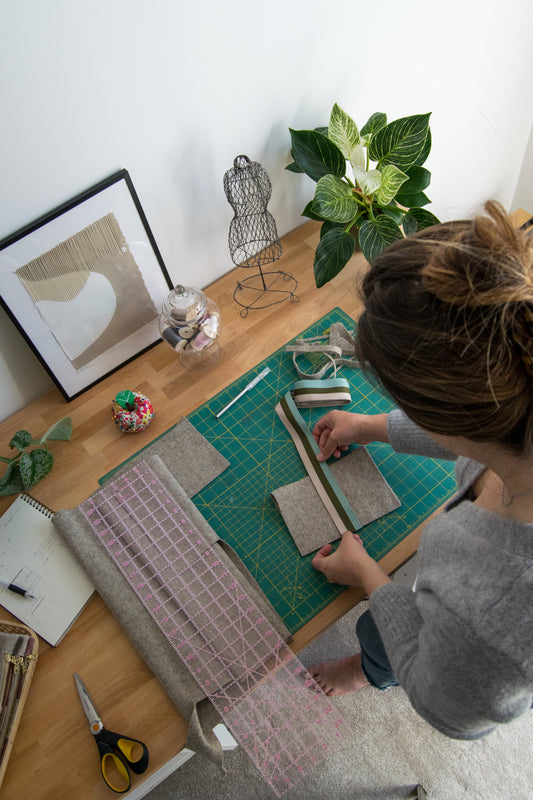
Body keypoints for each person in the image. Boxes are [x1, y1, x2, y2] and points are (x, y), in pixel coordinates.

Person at [309, 201, 533, 740]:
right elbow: (474, 439)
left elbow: (442, 704)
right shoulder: (515, 391)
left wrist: (367, 575)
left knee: (384, 641)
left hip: (449, 660)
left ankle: (367, 671)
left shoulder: (493, 622)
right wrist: (369, 425)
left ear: (447, 417)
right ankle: (369, 665)